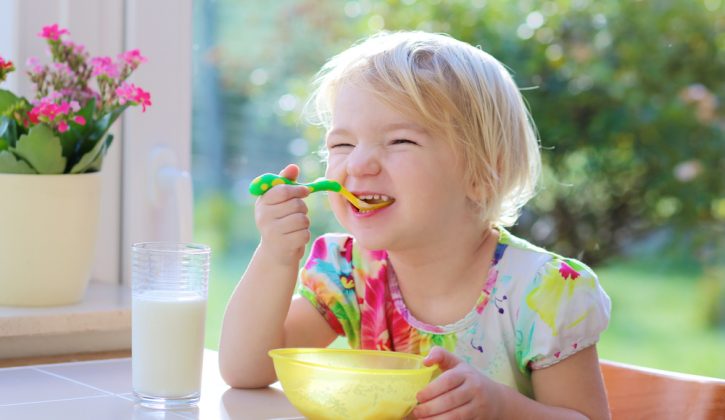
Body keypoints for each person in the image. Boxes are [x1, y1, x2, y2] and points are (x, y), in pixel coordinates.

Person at [220, 30, 612, 419]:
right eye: (342, 144)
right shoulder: (349, 273)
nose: (357, 164)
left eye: (399, 142)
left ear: (482, 174)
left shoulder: (543, 293)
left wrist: (502, 409)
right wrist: (275, 255)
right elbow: (247, 370)